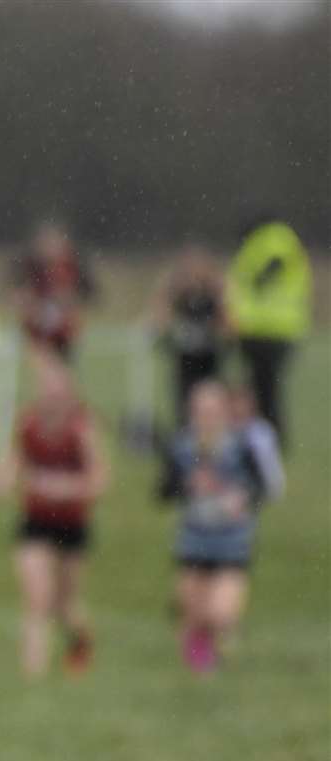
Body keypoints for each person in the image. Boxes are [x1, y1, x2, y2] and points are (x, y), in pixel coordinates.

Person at [0, 360, 107, 680]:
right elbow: (13, 459)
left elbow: (99, 480)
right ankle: (33, 675)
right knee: (37, 598)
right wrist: (3, 479)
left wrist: (67, 489)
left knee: (65, 605)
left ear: (70, 394)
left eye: (59, 392)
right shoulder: (28, 423)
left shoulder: (81, 429)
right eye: (47, 391)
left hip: (72, 524)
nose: (53, 397)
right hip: (35, 521)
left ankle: (80, 639)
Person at [158, 380, 278, 673]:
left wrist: (240, 497)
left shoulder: (241, 445)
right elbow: (163, 491)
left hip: (232, 541)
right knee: (194, 612)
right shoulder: (183, 446)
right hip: (194, 539)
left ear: (226, 411)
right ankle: (202, 670)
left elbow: (263, 488)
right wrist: (187, 486)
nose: (206, 417)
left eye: (212, 410)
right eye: (200, 411)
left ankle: (218, 648)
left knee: (220, 612)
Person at [227, 214, 311, 449]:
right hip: (259, 330)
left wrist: (260, 279)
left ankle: (273, 438)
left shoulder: (275, 237)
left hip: (273, 331)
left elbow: (275, 263)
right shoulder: (260, 244)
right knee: (261, 388)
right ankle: (261, 436)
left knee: (268, 390)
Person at [148, 244, 228, 427]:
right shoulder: (179, 294)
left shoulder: (212, 294)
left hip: (209, 357)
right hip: (185, 358)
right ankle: (186, 434)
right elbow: (160, 318)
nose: (194, 272)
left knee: (211, 397)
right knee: (184, 402)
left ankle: (212, 430)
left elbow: (227, 325)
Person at [9, 222, 96, 368]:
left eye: (53, 243)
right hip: (37, 328)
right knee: (46, 369)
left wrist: (68, 301)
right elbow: (16, 293)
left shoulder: (72, 266)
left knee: (60, 370)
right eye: (46, 243)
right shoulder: (30, 267)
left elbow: (87, 294)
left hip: (64, 330)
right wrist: (28, 304)